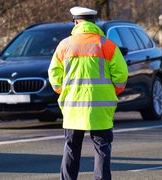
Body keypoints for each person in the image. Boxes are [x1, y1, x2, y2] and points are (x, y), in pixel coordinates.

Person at [48, 6, 128, 180]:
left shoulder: (64, 45)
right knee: (102, 148)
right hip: (100, 107)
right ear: (94, 22)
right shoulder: (107, 45)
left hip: (73, 107)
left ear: (76, 22)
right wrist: (111, 91)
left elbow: (54, 76)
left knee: (71, 148)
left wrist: (66, 92)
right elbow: (121, 76)